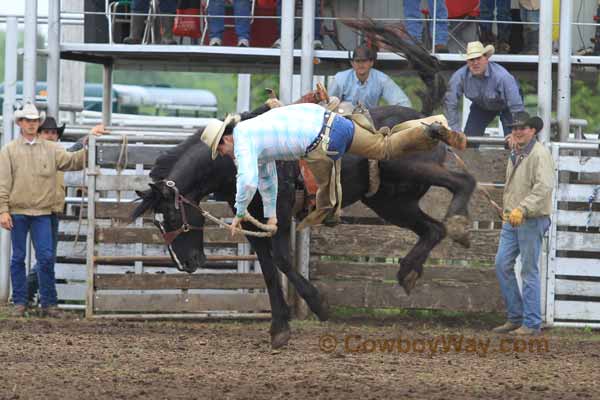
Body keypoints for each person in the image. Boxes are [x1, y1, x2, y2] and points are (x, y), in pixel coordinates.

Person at [200, 101, 467, 232]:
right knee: (383, 148)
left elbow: (247, 181)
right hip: (336, 123)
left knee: (324, 197)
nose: (225, 154)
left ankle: (331, 212)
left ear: (226, 138)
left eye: (221, 150)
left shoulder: (244, 138)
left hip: (320, 144)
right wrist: (271, 215)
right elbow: (266, 179)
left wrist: (239, 212)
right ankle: (430, 129)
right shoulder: (257, 134)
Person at [0, 103, 96, 318]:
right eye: (28, 120)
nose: (31, 124)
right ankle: (21, 301)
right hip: (19, 210)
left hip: (42, 211)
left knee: (44, 257)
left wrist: (88, 147)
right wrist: (3, 210)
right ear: (20, 123)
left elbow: (72, 162)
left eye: (34, 121)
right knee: (19, 257)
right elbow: (3, 183)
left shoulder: (52, 149)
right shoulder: (9, 151)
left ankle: (46, 303)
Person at [26, 118, 107, 308]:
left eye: (53, 133)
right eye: (46, 132)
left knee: (46, 256)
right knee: (46, 256)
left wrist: (88, 138)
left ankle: (32, 296)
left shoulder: (50, 152)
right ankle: (31, 295)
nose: (50, 135)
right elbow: (71, 153)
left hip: (49, 209)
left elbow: (69, 154)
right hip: (39, 210)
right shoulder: (41, 152)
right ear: (39, 134)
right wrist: (89, 137)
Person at [492, 111, 554, 336]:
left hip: (531, 219)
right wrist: (510, 208)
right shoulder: (517, 152)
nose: (517, 131)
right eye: (514, 128)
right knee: (502, 264)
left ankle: (531, 322)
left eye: (522, 127)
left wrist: (522, 208)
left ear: (533, 130)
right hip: (514, 218)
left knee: (528, 270)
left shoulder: (540, 154)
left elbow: (544, 187)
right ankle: (516, 317)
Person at [444, 41, 524, 139]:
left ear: (486, 59)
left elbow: (516, 106)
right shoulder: (458, 77)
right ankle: (470, 153)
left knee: (513, 140)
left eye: (478, 58)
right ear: (467, 62)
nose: (475, 63)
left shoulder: (502, 76)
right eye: (472, 60)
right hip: (481, 106)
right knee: (469, 140)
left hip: (508, 105)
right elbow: (450, 104)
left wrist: (517, 129)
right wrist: (455, 131)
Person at [327, 45, 412, 109]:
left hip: (371, 120)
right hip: (344, 119)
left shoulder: (382, 79)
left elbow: (403, 103)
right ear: (352, 63)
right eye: (357, 61)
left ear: (371, 63)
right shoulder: (340, 78)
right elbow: (328, 103)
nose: (361, 65)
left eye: (364, 61)